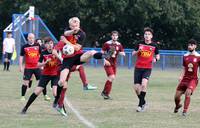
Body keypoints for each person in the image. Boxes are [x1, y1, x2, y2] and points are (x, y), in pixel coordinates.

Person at [52, 17, 112, 116]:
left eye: (76, 25)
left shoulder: (82, 34)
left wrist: (66, 42)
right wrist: (70, 34)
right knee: (62, 82)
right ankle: (57, 101)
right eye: (73, 25)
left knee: (91, 52)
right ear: (70, 26)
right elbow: (66, 34)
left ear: (79, 24)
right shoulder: (68, 30)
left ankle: (105, 55)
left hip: (77, 56)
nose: (75, 27)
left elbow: (77, 47)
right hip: (67, 60)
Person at [21, 37, 61, 114]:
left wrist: (57, 56)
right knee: (36, 92)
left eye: (51, 43)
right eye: (48, 43)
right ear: (45, 45)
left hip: (55, 75)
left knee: (55, 93)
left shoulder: (57, 51)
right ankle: (25, 108)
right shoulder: (43, 53)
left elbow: (62, 61)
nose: (50, 45)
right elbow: (38, 65)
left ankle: (61, 108)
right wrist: (45, 63)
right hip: (45, 75)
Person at [132, 27, 160, 112]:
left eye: (149, 34)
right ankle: (143, 102)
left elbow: (158, 55)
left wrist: (155, 59)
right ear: (144, 36)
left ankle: (140, 106)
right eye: (145, 34)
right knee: (137, 88)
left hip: (147, 68)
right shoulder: (139, 43)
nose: (147, 36)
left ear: (151, 36)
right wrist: (138, 51)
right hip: (138, 68)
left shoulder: (154, 45)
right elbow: (133, 54)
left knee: (144, 85)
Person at [174, 39, 200, 116]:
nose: (189, 46)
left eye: (191, 45)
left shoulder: (198, 57)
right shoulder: (185, 56)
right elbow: (184, 68)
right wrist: (181, 76)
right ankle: (177, 106)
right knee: (176, 97)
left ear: (195, 46)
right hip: (185, 79)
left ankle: (184, 111)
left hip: (193, 79)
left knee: (188, 93)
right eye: (189, 45)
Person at [101, 31, 125, 100]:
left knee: (112, 78)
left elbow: (123, 53)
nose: (114, 37)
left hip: (114, 64)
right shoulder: (107, 44)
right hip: (107, 62)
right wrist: (105, 60)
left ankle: (106, 94)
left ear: (117, 37)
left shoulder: (119, 45)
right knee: (111, 77)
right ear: (111, 36)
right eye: (113, 35)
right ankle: (104, 92)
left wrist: (120, 53)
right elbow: (102, 53)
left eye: (116, 36)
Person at [19, 33, 41, 101]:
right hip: (28, 68)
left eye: (33, 38)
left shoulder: (37, 45)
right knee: (25, 82)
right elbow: (21, 57)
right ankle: (22, 96)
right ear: (27, 38)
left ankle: (44, 95)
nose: (31, 39)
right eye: (30, 38)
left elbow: (41, 55)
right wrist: (20, 66)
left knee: (41, 81)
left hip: (37, 67)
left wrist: (42, 64)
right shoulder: (24, 46)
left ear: (34, 38)